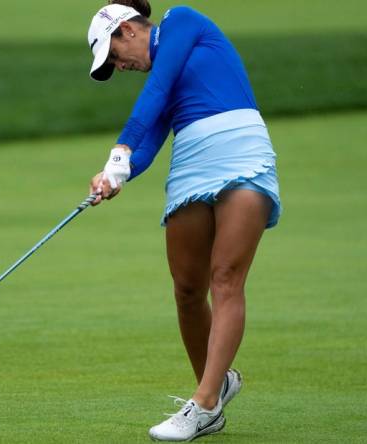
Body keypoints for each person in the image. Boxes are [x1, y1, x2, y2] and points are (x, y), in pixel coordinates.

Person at [85, 0, 281, 441]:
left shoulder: (182, 21)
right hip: (192, 164)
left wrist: (119, 149)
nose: (119, 67)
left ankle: (205, 403)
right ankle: (217, 382)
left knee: (226, 277)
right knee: (188, 288)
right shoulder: (163, 78)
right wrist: (116, 175)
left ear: (128, 30)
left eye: (115, 56)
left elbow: (155, 92)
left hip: (243, 153)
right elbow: (152, 137)